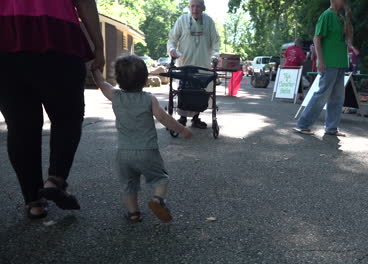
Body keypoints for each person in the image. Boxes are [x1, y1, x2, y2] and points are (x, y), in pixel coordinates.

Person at [0, 0, 104, 219]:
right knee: (68, 117)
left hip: (5, 36)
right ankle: (55, 180)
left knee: (20, 126)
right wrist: (98, 46)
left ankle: (34, 202)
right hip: (57, 34)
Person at [92, 55, 192, 223]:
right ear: (145, 79)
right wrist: (182, 129)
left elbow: (102, 84)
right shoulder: (148, 98)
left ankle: (133, 213)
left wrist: (94, 70)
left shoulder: (116, 96)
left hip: (124, 154)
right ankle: (157, 200)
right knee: (160, 178)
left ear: (118, 79)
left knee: (128, 185)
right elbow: (163, 118)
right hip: (148, 151)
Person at [294, 0, 352, 137]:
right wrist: (320, 60)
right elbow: (317, 39)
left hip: (341, 62)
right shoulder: (326, 15)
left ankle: (331, 128)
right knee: (322, 95)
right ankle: (303, 125)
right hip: (329, 62)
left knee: (338, 97)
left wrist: (348, 18)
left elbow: (349, 37)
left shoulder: (341, 17)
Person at [167, 0, 220, 129]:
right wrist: (172, 50)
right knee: (184, 90)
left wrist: (215, 56)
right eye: (192, 6)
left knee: (200, 92)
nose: (195, 9)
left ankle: (196, 118)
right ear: (189, 7)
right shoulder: (182, 20)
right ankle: (182, 118)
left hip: (203, 63)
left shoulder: (209, 21)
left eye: (198, 6)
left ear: (203, 7)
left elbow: (216, 42)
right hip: (185, 63)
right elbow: (172, 39)